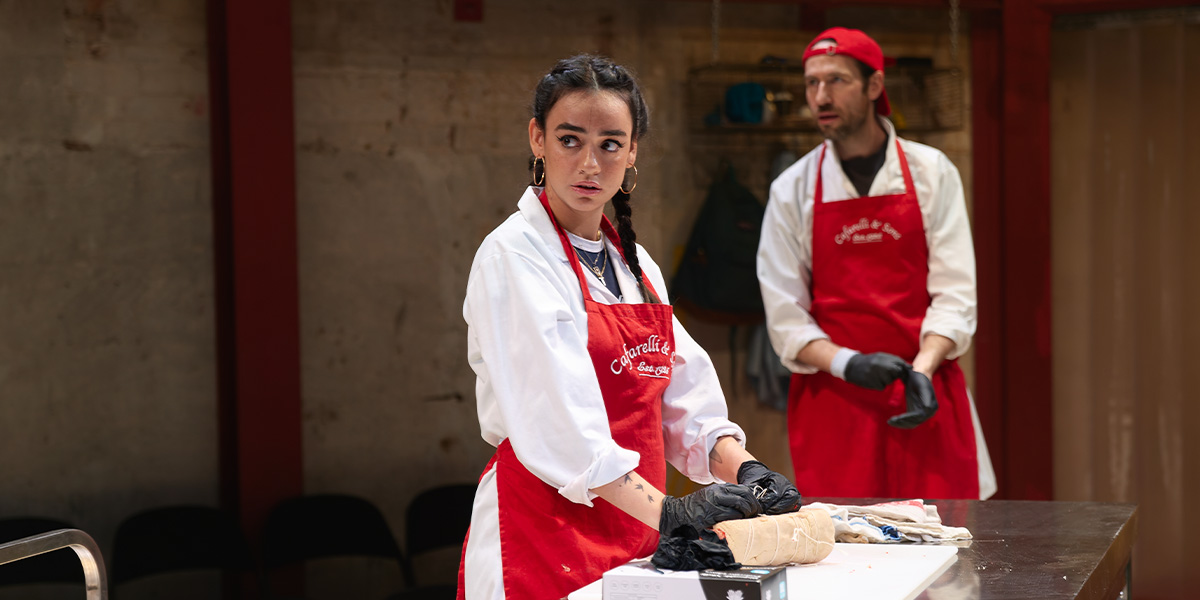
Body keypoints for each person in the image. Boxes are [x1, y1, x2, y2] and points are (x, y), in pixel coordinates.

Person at [457, 54, 799, 600]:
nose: (590, 164)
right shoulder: (513, 258)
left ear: (632, 150)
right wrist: (672, 510)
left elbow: (683, 399)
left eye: (610, 144)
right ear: (537, 139)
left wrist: (747, 468)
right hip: (544, 536)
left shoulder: (635, 268)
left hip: (638, 529)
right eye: (571, 140)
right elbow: (559, 424)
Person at [757, 27, 996, 500]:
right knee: (844, 555)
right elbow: (785, 319)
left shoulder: (932, 172)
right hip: (837, 402)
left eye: (837, 80)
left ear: (873, 86)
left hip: (925, 389)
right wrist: (850, 363)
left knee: (944, 547)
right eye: (812, 83)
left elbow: (955, 294)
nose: (820, 96)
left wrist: (923, 369)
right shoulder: (792, 189)